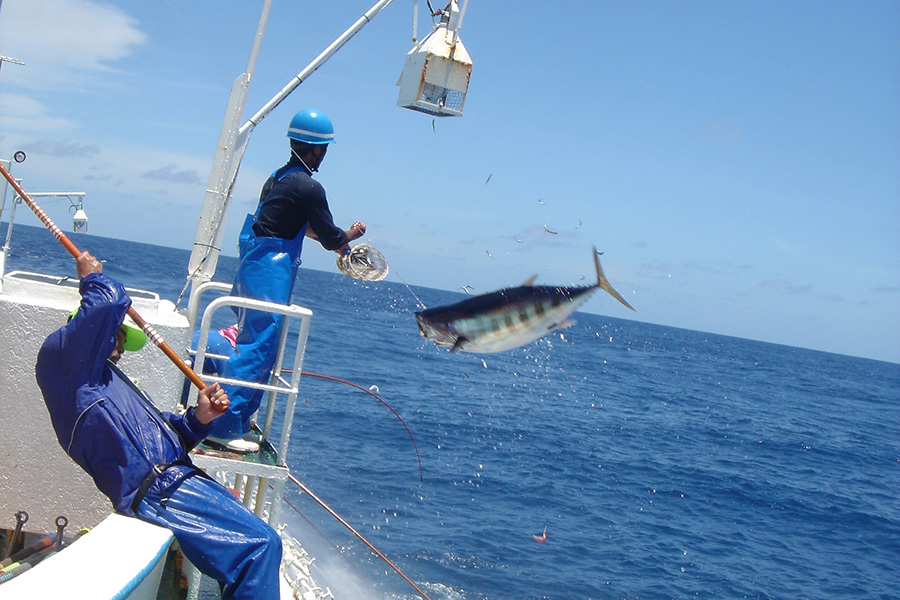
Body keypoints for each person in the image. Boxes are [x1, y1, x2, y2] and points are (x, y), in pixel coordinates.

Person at [35, 251, 282, 600]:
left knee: (262, 545)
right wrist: (91, 278)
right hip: (159, 491)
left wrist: (200, 418)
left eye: (123, 340)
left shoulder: (108, 381)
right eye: (115, 336)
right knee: (258, 548)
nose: (120, 346)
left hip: (176, 479)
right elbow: (107, 302)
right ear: (83, 330)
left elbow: (166, 439)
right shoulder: (63, 365)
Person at [206, 108, 366, 452]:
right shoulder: (309, 187)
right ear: (316, 149)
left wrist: (337, 239)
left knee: (260, 347)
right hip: (269, 275)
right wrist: (348, 236)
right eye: (324, 148)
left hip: (253, 269)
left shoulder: (278, 179)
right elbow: (328, 236)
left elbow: (295, 226)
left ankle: (238, 419)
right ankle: (223, 424)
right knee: (258, 347)